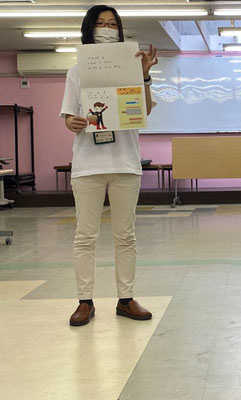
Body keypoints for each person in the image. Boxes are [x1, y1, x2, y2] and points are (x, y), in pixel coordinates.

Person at [60, 5, 158, 326]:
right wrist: (73, 122)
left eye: (112, 23)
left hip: (125, 162)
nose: (106, 28)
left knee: (125, 235)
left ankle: (126, 299)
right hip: (87, 164)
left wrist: (144, 74)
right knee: (85, 236)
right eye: (100, 23)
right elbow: (68, 117)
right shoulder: (76, 70)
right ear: (89, 29)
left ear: (120, 29)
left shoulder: (132, 66)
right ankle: (84, 302)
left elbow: (144, 110)